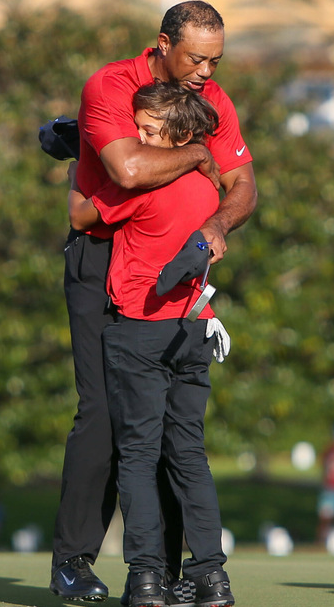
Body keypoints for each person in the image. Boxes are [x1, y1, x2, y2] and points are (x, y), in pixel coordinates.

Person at [51, 0, 256, 604]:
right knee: (104, 415)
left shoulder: (214, 101)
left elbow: (242, 184)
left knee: (168, 426)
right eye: (196, 58)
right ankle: (73, 561)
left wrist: (217, 225)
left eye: (216, 60)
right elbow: (129, 168)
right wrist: (197, 155)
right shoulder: (112, 84)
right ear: (163, 44)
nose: (206, 73)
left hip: (172, 255)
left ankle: (163, 573)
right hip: (102, 256)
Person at [69, 80, 234, 607]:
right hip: (195, 329)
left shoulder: (142, 185)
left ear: (181, 135)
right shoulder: (210, 191)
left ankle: (147, 579)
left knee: (137, 456)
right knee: (189, 456)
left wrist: (77, 159)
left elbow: (81, 215)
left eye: (148, 130)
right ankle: (210, 577)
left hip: (141, 328)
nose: (137, 139)